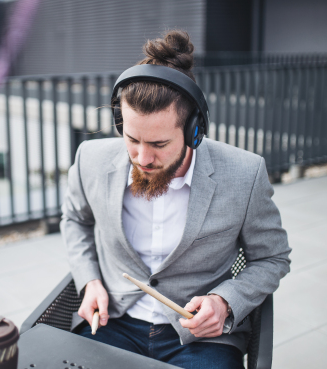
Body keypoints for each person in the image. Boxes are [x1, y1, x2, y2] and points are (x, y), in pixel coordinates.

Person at [60, 30, 291, 369]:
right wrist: (89, 280)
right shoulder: (89, 160)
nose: (142, 157)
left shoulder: (245, 174)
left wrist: (225, 302)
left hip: (199, 339)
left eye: (159, 144)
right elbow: (75, 221)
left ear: (194, 131)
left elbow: (273, 258)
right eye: (132, 138)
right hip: (113, 323)